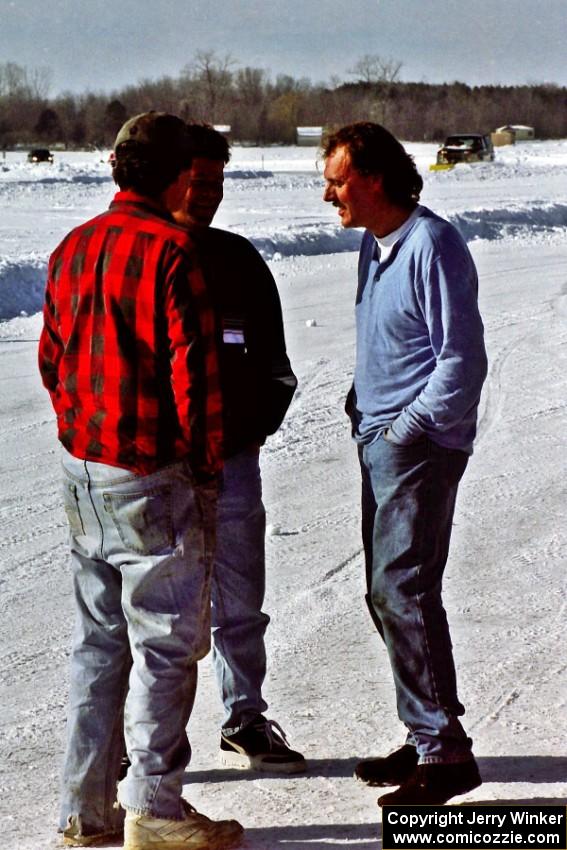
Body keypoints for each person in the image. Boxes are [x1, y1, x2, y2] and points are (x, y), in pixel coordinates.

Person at [39, 112, 243, 850]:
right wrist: (206, 468)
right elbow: (196, 380)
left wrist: (81, 435)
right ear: (176, 174)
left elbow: (52, 359)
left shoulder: (73, 246)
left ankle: (84, 812)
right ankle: (155, 807)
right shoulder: (172, 253)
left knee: (97, 644)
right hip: (150, 474)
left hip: (83, 470)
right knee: (164, 645)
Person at [322, 122, 488, 806]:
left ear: (376, 179)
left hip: (418, 446)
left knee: (403, 590)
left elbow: (460, 362)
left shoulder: (431, 243)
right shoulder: (375, 245)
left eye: (337, 179)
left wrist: (404, 429)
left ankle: (444, 753)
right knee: (387, 593)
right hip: (383, 440)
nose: (327, 191)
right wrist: (363, 406)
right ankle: (427, 734)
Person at [171, 123, 304, 773]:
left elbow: (275, 365)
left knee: (239, 598)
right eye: (197, 183)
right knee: (151, 604)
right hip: (154, 469)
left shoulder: (237, 259)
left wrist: (247, 431)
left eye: (216, 185)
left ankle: (244, 716)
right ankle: (137, 737)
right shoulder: (141, 258)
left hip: (231, 462)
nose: (207, 196)